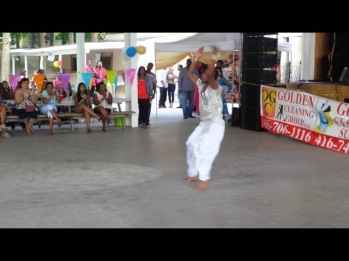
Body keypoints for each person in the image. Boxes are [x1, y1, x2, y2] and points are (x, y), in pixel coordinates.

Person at [183, 46, 225, 190]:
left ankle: (204, 177)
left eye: (206, 72)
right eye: (203, 72)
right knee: (191, 143)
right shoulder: (201, 85)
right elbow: (189, 73)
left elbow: (211, 74)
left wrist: (214, 58)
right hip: (204, 122)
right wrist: (196, 58)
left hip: (216, 123)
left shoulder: (216, 87)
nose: (203, 74)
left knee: (206, 147)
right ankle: (193, 173)